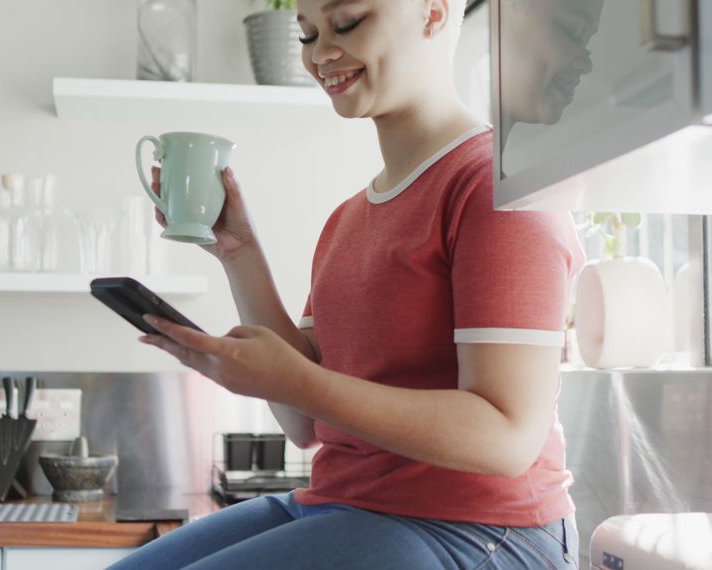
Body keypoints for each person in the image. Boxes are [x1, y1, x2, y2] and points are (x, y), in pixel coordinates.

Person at [109, 0, 587, 568]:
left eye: (348, 23)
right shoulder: (348, 219)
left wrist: (297, 381)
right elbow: (304, 423)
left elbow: (507, 438)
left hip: (481, 530)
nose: (320, 54)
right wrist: (239, 254)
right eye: (308, 33)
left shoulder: (495, 186)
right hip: (344, 503)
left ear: (433, 12)